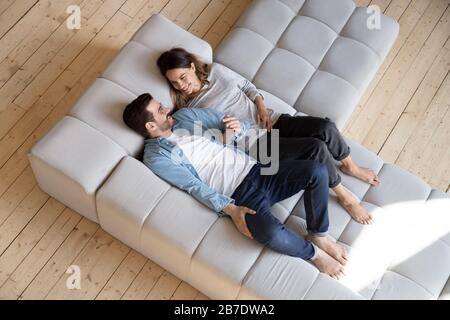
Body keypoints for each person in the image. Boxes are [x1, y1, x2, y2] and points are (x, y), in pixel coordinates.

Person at [122, 93, 348, 279]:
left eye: (162, 105)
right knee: (269, 232)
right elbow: (192, 186)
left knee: (315, 170)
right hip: (239, 195)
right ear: (151, 125)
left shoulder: (185, 117)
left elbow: (228, 122)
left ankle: (318, 233)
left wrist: (233, 131)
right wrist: (230, 209)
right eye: (160, 110)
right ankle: (314, 254)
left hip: (257, 169)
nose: (166, 110)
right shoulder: (156, 157)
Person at [156, 48, 381, 225]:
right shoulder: (189, 110)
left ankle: (351, 166)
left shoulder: (216, 71)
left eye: (183, 77)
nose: (181, 86)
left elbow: (245, 85)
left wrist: (261, 105)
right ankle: (345, 197)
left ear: (193, 67)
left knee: (325, 127)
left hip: (271, 119)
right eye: (175, 83)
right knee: (315, 147)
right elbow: (214, 142)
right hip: (256, 143)